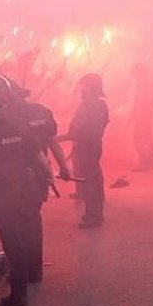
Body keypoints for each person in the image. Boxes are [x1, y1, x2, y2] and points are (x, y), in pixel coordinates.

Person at [0, 75, 51, 306]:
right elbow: (37, 154)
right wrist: (48, 175)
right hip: (11, 193)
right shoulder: (17, 124)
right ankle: (19, 295)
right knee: (15, 243)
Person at [7, 79, 71, 283]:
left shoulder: (7, 117)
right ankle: (34, 270)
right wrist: (63, 167)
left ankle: (22, 271)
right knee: (33, 221)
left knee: (16, 225)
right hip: (39, 177)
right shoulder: (42, 112)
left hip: (16, 178)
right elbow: (53, 144)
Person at [58, 73, 109, 229]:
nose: (82, 89)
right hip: (87, 145)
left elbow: (83, 130)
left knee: (90, 181)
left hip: (88, 146)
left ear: (91, 87)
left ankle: (94, 216)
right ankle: (95, 211)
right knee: (91, 178)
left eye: (84, 86)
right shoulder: (93, 104)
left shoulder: (94, 105)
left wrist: (60, 138)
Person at [130, 63, 153, 171]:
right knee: (146, 138)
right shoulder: (145, 83)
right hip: (143, 113)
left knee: (139, 138)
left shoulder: (145, 84)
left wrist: (136, 112)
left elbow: (144, 100)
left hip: (143, 113)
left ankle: (144, 163)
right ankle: (151, 162)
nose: (134, 77)